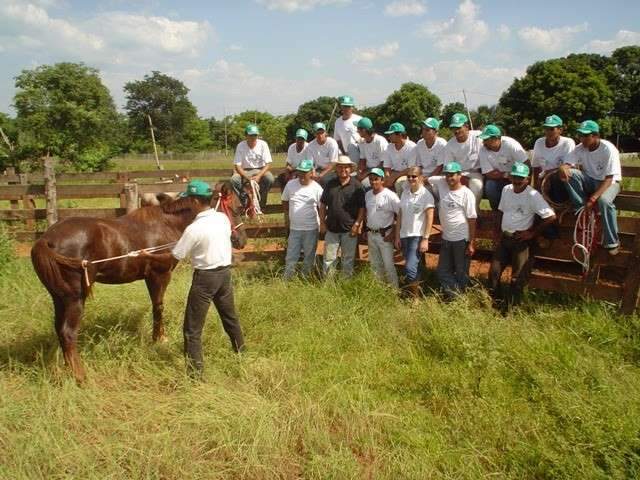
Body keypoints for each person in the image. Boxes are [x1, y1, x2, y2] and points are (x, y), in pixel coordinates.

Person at [140, 180, 245, 377]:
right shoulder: (222, 219)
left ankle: (194, 375)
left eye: (188, 199)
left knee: (192, 329)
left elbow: (173, 256)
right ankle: (242, 353)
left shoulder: (194, 229)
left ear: (195, 201)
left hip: (205, 280)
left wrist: (147, 256)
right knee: (230, 318)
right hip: (224, 276)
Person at [489, 163, 556, 309]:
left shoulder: (533, 195)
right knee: (494, 272)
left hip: (520, 241)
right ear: (511, 177)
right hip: (505, 237)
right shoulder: (507, 189)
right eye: (515, 177)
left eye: (521, 178)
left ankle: (512, 307)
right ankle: (496, 303)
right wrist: (497, 231)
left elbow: (550, 216)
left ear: (527, 179)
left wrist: (532, 233)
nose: (517, 181)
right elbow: (500, 210)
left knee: (517, 277)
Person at [559, 120, 622, 255]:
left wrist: (593, 199)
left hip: (609, 182)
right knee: (569, 173)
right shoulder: (580, 147)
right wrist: (563, 167)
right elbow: (567, 163)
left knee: (604, 201)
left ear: (595, 135)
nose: (582, 139)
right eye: (580, 135)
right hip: (590, 180)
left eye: (586, 135)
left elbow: (610, 178)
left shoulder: (608, 149)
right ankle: (580, 208)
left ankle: (612, 241)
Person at [430, 162, 477, 299]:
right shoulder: (442, 184)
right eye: (446, 174)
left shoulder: (466, 194)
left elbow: (472, 219)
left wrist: (471, 242)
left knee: (462, 272)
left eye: (452, 175)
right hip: (446, 238)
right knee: (442, 271)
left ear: (459, 175)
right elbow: (426, 179)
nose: (449, 178)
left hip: (461, 239)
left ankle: (460, 299)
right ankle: (458, 296)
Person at [319, 155, 365, 277]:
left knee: (348, 259)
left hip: (349, 228)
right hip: (332, 228)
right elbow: (323, 204)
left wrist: (357, 224)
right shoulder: (330, 184)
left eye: (346, 167)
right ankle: (328, 286)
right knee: (329, 259)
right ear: (336, 169)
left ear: (350, 169)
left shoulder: (357, 186)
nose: (343, 170)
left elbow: (362, 207)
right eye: (340, 167)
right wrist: (322, 223)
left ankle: (346, 283)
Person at [394, 166, 435, 297]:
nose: (411, 178)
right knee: (414, 267)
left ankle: (415, 297)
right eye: (409, 176)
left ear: (421, 177)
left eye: (414, 176)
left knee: (409, 268)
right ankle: (419, 290)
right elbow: (400, 215)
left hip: (416, 236)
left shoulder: (426, 195)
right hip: (404, 235)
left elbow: (430, 217)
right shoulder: (405, 192)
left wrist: (425, 238)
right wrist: (397, 236)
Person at [281, 159, 323, 279]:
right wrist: (287, 217)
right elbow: (285, 200)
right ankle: (287, 279)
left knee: (309, 256)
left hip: (311, 228)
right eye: (300, 172)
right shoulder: (290, 185)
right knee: (291, 255)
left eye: (305, 172)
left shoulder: (317, 188)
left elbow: (322, 207)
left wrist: (322, 224)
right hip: (294, 229)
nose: (302, 175)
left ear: (311, 173)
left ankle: (305, 278)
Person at [478, 124, 529, 211]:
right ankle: (498, 211)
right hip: (498, 179)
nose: (483, 142)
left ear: (496, 138)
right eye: (483, 139)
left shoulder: (511, 144)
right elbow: (488, 174)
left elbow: (526, 163)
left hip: (517, 175)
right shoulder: (483, 150)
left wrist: (517, 177)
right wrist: (506, 175)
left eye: (486, 139)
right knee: (490, 186)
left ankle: (520, 210)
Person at [364, 168, 400, 288]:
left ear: (382, 180)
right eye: (371, 179)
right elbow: (367, 213)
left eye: (376, 179)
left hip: (385, 235)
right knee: (375, 264)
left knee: (388, 264)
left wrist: (394, 232)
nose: (373, 182)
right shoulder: (368, 195)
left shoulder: (390, 195)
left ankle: (394, 292)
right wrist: (365, 229)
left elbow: (401, 213)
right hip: (371, 234)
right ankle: (379, 290)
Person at [442, 113, 483, 208]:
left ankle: (473, 213)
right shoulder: (450, 145)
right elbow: (448, 167)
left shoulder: (478, 137)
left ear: (467, 126)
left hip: (476, 172)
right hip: (458, 174)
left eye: (459, 127)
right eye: (453, 128)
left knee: (476, 186)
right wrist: (460, 177)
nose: (456, 131)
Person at [531, 115, 575, 204]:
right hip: (544, 178)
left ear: (560, 130)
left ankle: (559, 206)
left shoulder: (567, 142)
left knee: (556, 178)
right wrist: (537, 186)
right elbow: (536, 167)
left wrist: (547, 175)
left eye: (552, 129)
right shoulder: (539, 142)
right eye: (546, 129)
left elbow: (569, 166)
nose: (548, 132)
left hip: (563, 178)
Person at [230, 124, 274, 211]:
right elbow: (237, 165)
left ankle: (261, 203)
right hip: (244, 171)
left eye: (255, 135)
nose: (253, 137)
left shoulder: (263, 144)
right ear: (246, 136)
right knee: (234, 180)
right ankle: (246, 202)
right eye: (251, 135)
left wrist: (259, 176)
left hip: (260, 170)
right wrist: (247, 177)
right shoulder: (240, 146)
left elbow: (268, 163)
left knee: (270, 178)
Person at [383, 122, 416, 194]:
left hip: (409, 175)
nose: (389, 137)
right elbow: (387, 168)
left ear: (400, 135)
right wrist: (387, 177)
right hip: (394, 173)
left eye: (391, 134)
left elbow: (411, 168)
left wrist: (394, 177)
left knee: (399, 183)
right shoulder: (389, 147)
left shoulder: (412, 147)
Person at [356, 117, 388, 188]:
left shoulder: (380, 141)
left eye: (358, 129)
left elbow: (384, 163)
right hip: (368, 170)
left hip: (379, 171)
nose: (357, 131)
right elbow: (362, 160)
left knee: (365, 184)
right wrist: (359, 171)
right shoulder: (362, 142)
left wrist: (366, 173)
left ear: (364, 130)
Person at [306, 122, 339, 187]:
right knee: (306, 179)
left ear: (325, 133)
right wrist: (313, 173)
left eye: (322, 132)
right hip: (317, 169)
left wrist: (321, 175)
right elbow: (310, 163)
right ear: (314, 134)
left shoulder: (332, 143)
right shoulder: (310, 145)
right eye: (317, 133)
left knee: (324, 180)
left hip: (332, 170)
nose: (320, 135)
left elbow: (333, 163)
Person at [333, 95, 362, 165]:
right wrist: (344, 154)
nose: (346, 108)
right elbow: (338, 140)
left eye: (348, 106)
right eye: (344, 106)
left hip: (361, 152)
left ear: (352, 107)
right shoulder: (338, 122)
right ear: (341, 107)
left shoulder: (359, 119)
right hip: (347, 154)